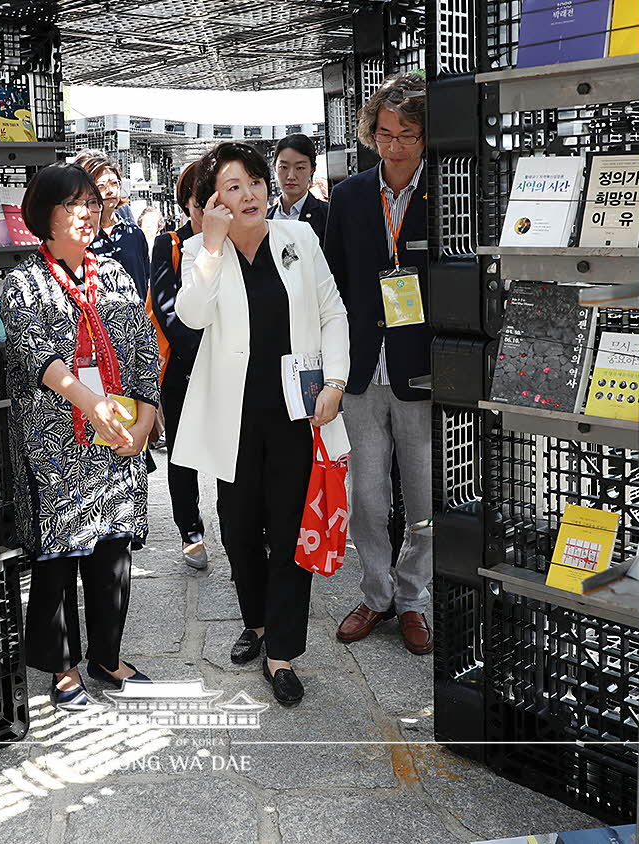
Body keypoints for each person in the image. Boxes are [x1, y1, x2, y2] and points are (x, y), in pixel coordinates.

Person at [174, 143, 350, 707]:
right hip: (235, 418)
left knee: (290, 530)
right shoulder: (204, 253)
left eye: (254, 181)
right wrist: (212, 244)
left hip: (297, 414)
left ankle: (283, 651)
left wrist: (337, 382)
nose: (249, 193)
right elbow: (192, 315)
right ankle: (255, 622)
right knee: (239, 528)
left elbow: (332, 312)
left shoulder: (298, 239)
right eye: (232, 186)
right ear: (212, 202)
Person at [0, 163, 161, 710]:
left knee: (112, 551)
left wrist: (145, 419)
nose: (87, 212)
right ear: (43, 216)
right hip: (56, 444)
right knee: (59, 557)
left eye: (91, 202)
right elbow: (37, 357)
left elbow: (142, 347)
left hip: (115, 439)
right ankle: (62, 664)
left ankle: (108, 656)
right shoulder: (23, 284)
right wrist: (90, 403)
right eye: (73, 205)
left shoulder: (114, 273)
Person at [323, 74, 435, 656]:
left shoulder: (448, 193)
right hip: (364, 371)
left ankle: (413, 599)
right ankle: (376, 594)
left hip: (422, 372)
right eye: (384, 134)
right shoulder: (346, 197)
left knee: (424, 499)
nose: (394, 146)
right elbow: (333, 289)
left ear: (426, 137)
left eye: (408, 136)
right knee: (367, 498)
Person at [149, 160, 208, 571]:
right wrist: (197, 351)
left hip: (231, 362)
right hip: (182, 365)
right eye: (199, 200)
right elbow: (166, 308)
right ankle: (190, 532)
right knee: (183, 452)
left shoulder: (241, 238)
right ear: (186, 201)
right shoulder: (168, 243)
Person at [72, 150, 151, 299]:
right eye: (101, 185)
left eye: (115, 183)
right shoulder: (79, 235)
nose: (110, 191)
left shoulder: (133, 233)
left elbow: (145, 281)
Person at [267, 133, 329, 240]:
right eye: (284, 167)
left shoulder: (328, 215)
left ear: (312, 170)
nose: (291, 176)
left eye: (300, 168)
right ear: (275, 168)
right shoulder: (265, 218)